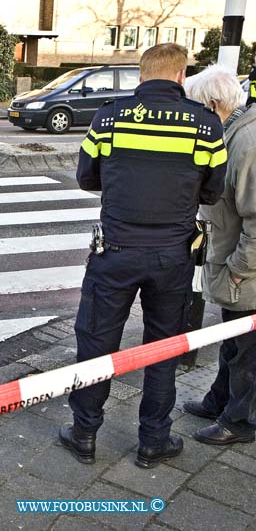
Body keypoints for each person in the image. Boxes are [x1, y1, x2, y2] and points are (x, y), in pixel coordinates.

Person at [57, 43, 226, 469]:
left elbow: (86, 177)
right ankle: (154, 440)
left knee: (96, 343)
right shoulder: (205, 126)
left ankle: (84, 434)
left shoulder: (109, 117)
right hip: (172, 257)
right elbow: (212, 190)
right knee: (163, 346)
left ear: (140, 74)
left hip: (114, 251)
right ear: (181, 75)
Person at [182, 65, 256, 446]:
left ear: (212, 104)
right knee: (233, 338)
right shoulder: (232, 133)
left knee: (247, 349)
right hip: (231, 262)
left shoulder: (248, 142)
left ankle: (240, 421)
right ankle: (220, 400)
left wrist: (241, 270)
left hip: (245, 271)